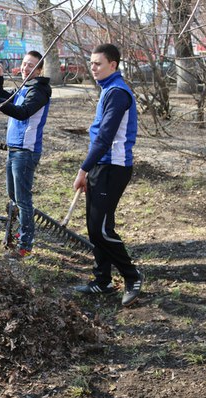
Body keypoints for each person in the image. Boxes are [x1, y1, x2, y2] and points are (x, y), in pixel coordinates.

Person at [72, 43, 143, 307]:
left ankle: (132, 276)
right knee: (96, 227)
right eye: (91, 63)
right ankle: (102, 280)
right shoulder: (108, 90)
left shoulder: (117, 93)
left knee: (100, 230)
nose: (93, 68)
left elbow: (104, 139)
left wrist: (83, 170)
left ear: (113, 65)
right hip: (102, 167)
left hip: (113, 168)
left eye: (98, 63)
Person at [0, 50, 51, 259]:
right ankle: (16, 236)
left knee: (22, 200)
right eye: (23, 64)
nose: (25, 68)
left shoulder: (40, 90)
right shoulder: (25, 87)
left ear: (39, 70)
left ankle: (25, 246)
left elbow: (22, 112)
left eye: (31, 65)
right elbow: (4, 96)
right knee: (13, 197)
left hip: (26, 151)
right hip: (13, 149)